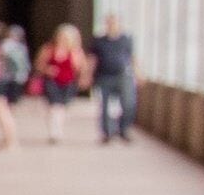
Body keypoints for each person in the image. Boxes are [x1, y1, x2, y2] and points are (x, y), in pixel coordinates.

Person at [35, 24, 88, 145]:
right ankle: (54, 131)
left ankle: (58, 129)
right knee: (54, 106)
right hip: (52, 81)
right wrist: (47, 69)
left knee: (62, 107)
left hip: (68, 82)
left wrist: (82, 78)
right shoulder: (49, 49)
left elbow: (82, 67)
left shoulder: (75, 51)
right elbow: (39, 64)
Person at [90, 15, 137, 144]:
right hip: (104, 76)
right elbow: (92, 59)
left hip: (123, 76)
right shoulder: (99, 41)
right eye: (109, 23)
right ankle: (107, 132)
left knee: (128, 104)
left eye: (115, 23)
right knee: (105, 107)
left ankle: (123, 129)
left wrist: (137, 73)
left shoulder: (126, 39)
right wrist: (87, 75)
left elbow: (132, 57)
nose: (112, 26)